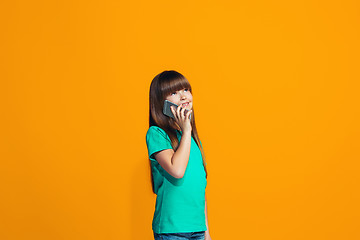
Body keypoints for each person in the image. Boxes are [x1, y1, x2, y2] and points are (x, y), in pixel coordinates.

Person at [146, 70, 212, 240]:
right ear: (161, 102)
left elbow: (199, 189)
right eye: (174, 92)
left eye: (185, 90)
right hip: (172, 230)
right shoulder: (157, 134)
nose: (183, 97)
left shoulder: (192, 141)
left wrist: (206, 232)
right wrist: (187, 128)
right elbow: (177, 171)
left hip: (197, 229)